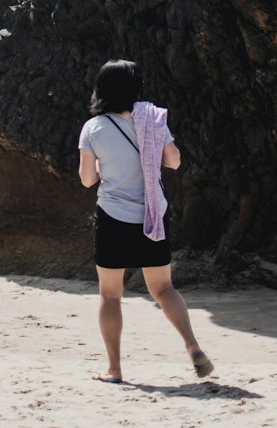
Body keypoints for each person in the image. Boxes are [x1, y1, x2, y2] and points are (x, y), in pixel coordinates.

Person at [78, 58, 213, 384]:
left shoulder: (93, 128)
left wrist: (107, 167)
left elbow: (86, 180)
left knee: (110, 295)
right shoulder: (152, 120)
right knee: (164, 288)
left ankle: (114, 369)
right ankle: (193, 346)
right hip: (152, 215)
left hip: (113, 218)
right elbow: (174, 161)